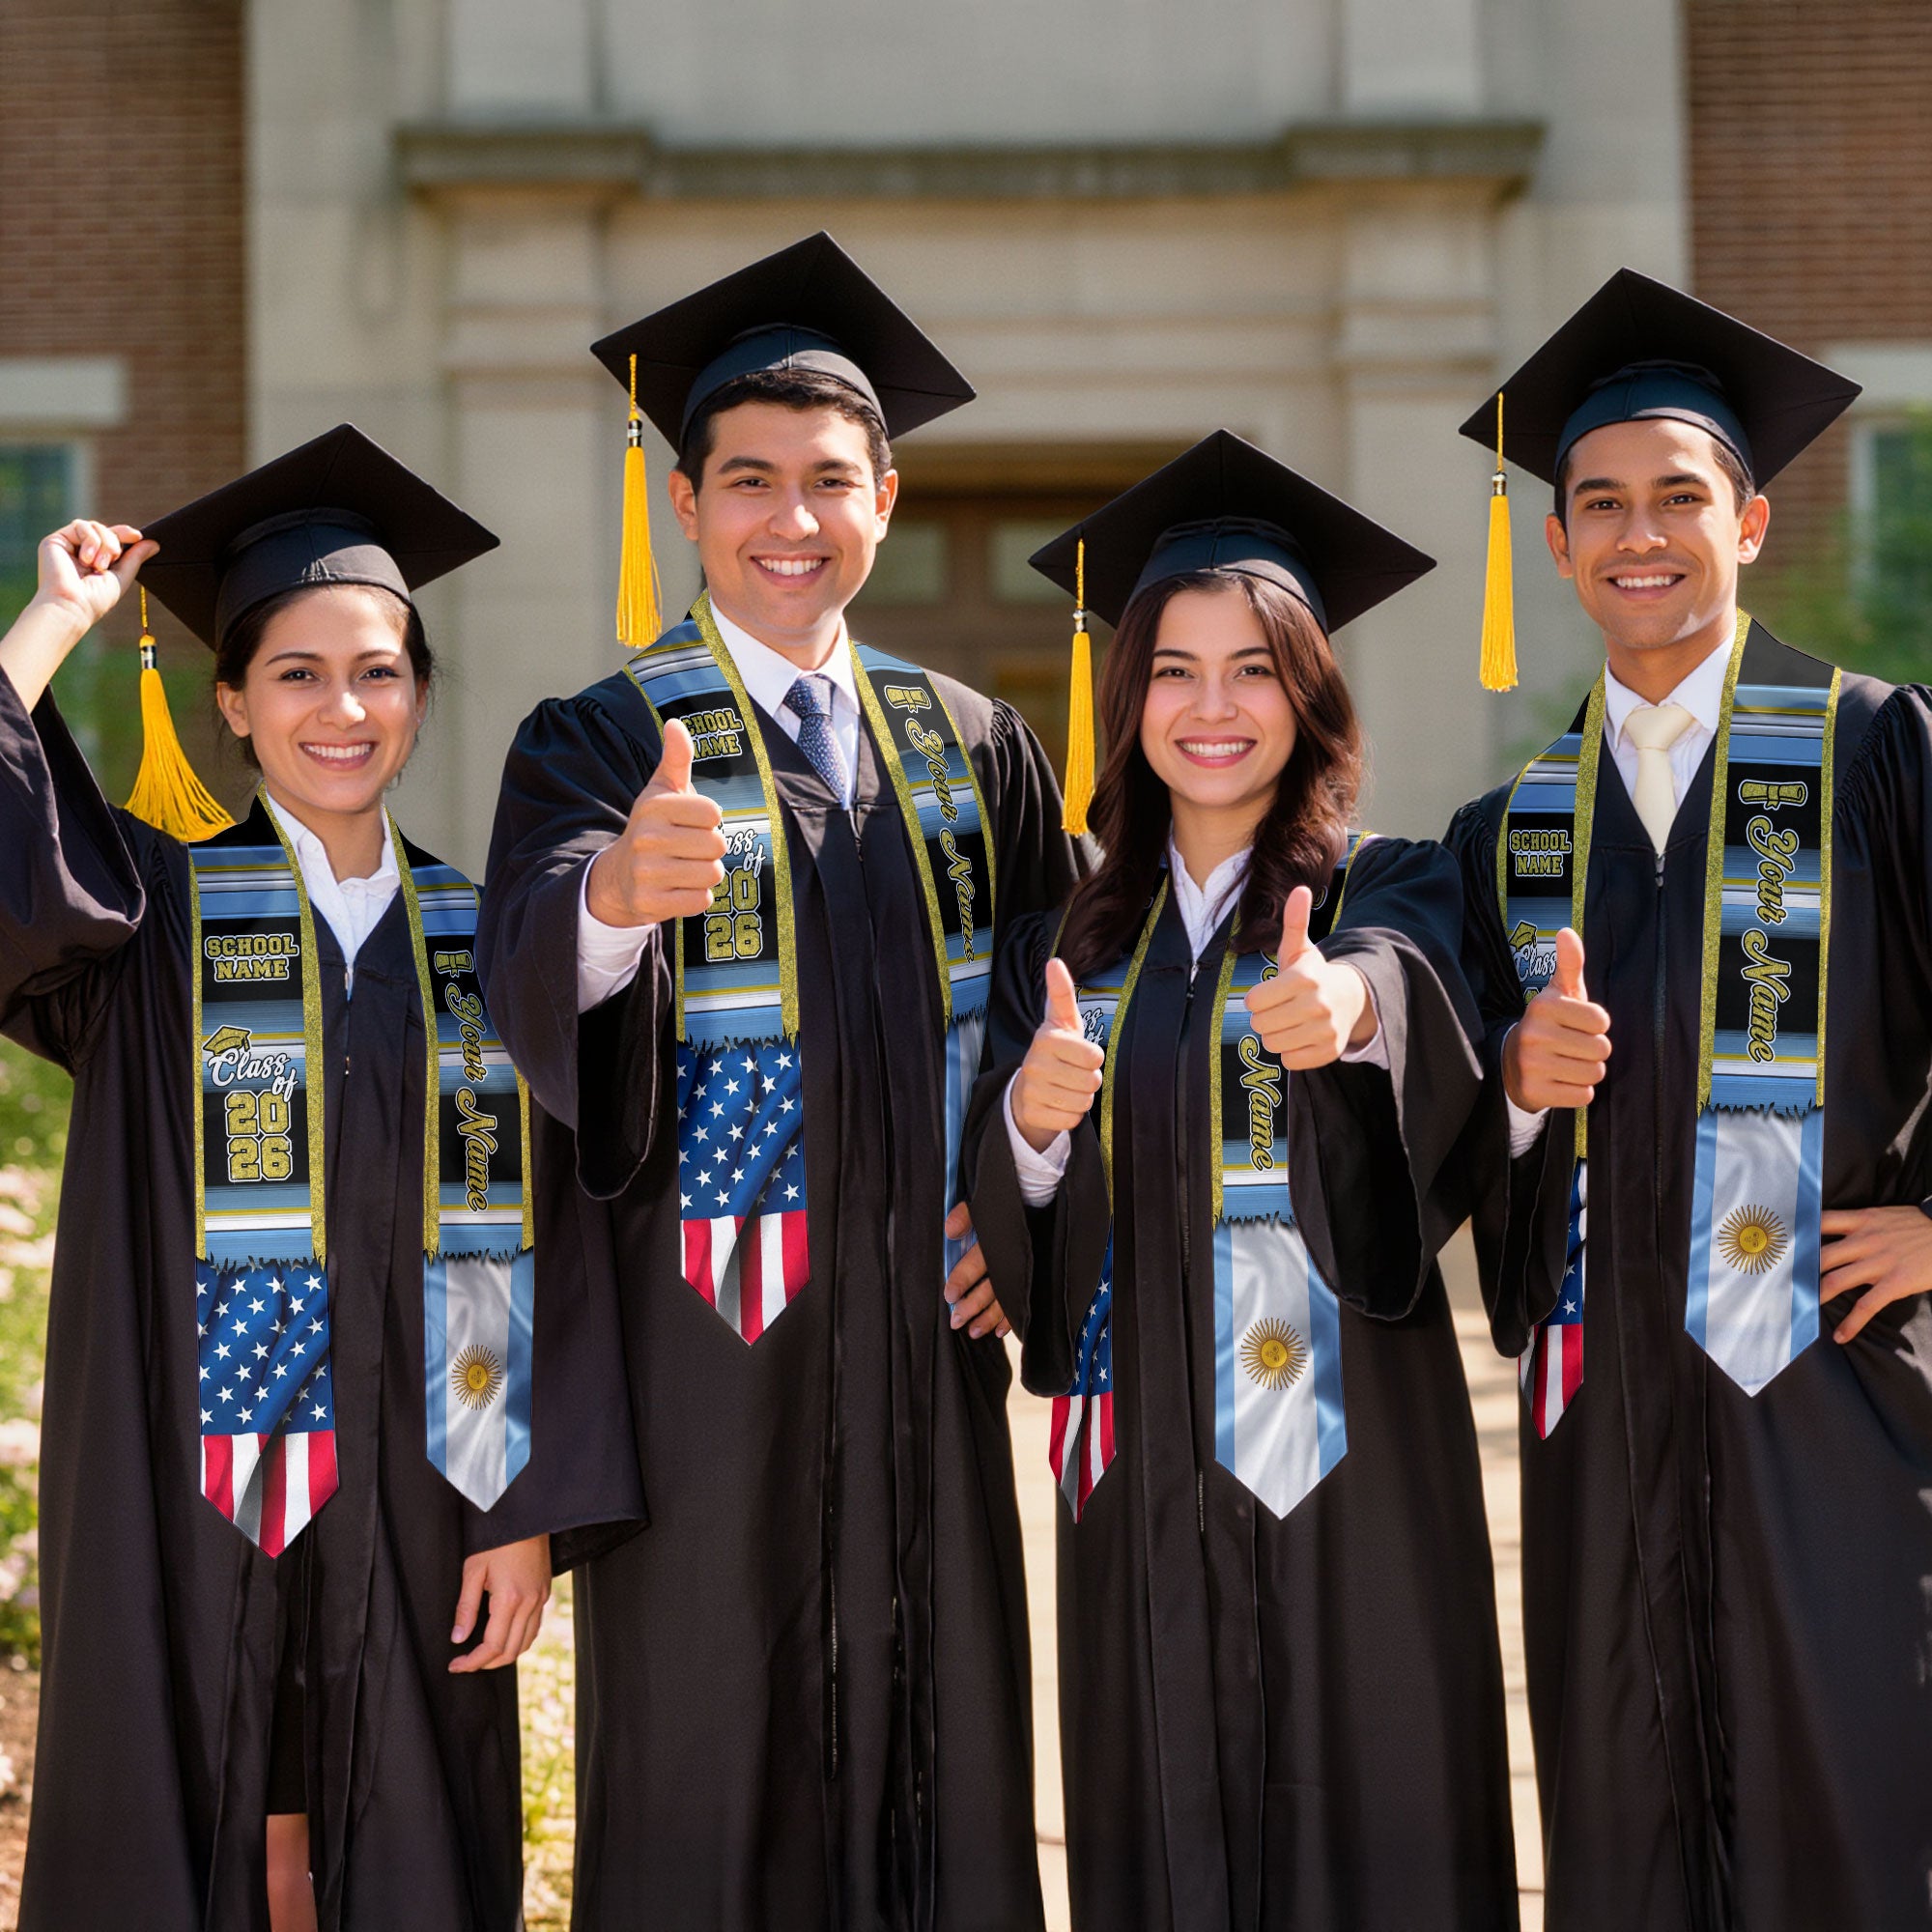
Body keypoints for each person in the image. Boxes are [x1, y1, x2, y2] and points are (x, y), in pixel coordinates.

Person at [478, 233, 1082, 1931]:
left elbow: (1073, 1005)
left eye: (831, 481)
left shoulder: (972, 742)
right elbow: (525, 972)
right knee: (710, 1775)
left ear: (886, 497)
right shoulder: (599, 739)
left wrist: (1023, 1204)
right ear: (686, 503)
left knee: (943, 1761)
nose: (790, 519)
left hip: (925, 1354)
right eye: (749, 481)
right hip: (706, 1366)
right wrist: (609, 899)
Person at [0, 425, 640, 1932]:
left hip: (430, 1490)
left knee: (408, 1835)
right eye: (295, 673)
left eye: (378, 671)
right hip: (184, 1484)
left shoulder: (495, 942)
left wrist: (528, 1507)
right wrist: (51, 625)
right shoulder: (146, 917)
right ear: (230, 701)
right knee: (193, 1809)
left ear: (419, 695)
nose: (340, 708)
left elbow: (569, 1238)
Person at [964, 431, 1519, 1930]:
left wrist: (1347, 1015)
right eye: (1175, 670)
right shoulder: (1064, 947)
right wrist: (1026, 1120)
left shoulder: (1389, 885)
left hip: (1359, 1470)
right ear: (1127, 696)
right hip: (1141, 1470)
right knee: (1164, 1822)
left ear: (1311, 693)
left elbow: (1412, 992)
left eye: (1256, 669)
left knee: (1378, 1820)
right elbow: (1017, 1209)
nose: (1214, 709)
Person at [1447, 270, 1932, 1931]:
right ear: (1562, 543)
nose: (1636, 534)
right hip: (1604, 1420)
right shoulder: (1508, 830)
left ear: (1752, 520)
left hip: (1834, 1399)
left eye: (1678, 497)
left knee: (1853, 1808)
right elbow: (1446, 1136)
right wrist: (1512, 1090)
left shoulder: (1874, 752)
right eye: (1598, 505)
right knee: (1624, 1818)